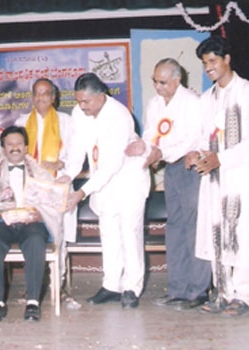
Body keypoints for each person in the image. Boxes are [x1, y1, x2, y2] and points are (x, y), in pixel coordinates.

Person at [124, 58, 211, 310]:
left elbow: (191, 139)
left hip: (191, 166)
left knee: (193, 228)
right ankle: (177, 289)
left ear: (177, 80)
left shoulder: (192, 102)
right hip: (171, 170)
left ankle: (198, 291)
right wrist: (146, 149)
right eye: (154, 81)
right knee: (175, 227)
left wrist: (159, 154)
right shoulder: (154, 103)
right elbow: (151, 133)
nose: (157, 86)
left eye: (162, 82)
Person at [185, 36, 249, 316]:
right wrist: (197, 153)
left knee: (242, 233)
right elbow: (205, 136)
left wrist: (221, 159)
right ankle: (222, 293)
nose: (208, 69)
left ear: (227, 59)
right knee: (217, 230)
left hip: (242, 174)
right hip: (214, 177)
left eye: (213, 61)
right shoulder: (207, 98)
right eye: (204, 64)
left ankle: (242, 296)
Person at [66, 73, 150, 309]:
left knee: (129, 236)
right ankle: (111, 286)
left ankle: (132, 288)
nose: (81, 107)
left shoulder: (119, 116)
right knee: (109, 236)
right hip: (103, 186)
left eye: (86, 102)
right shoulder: (78, 113)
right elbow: (76, 149)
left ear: (101, 97)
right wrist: (67, 174)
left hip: (128, 183)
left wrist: (82, 193)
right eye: (79, 101)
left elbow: (112, 164)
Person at [0, 126, 57, 322]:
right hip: (2, 221)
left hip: (31, 222)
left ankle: (33, 302)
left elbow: (52, 205)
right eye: (10, 144)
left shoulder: (41, 173)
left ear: (26, 147)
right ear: (3, 148)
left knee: (36, 240)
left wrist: (40, 214)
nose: (15, 148)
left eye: (19, 143)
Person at [14, 78, 77, 295]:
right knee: (31, 234)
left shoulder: (66, 121)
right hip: (29, 189)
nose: (41, 98)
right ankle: (34, 285)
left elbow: (76, 154)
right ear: (32, 97)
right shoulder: (22, 122)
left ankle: (57, 285)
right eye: (37, 93)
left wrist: (61, 163)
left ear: (53, 97)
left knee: (57, 234)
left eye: (45, 93)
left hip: (56, 185)